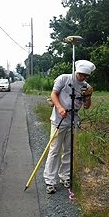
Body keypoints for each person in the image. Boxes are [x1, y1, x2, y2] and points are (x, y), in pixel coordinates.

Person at [43, 60, 96, 194]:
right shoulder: (64, 79)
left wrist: (89, 95)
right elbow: (53, 94)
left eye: (86, 76)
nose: (83, 78)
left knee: (69, 150)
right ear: (76, 71)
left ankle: (65, 176)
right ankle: (49, 181)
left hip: (73, 122)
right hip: (58, 120)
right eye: (81, 74)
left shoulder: (85, 86)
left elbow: (86, 106)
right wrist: (60, 108)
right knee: (54, 150)